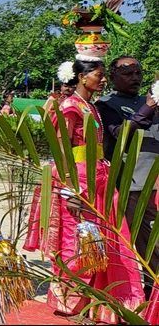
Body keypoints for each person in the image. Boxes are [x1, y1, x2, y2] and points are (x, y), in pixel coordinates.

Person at [24, 58, 144, 322]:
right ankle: (72, 302)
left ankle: (98, 302)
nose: (103, 80)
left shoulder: (91, 106)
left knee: (101, 241)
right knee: (77, 241)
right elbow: (62, 148)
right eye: (99, 75)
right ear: (81, 76)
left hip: (97, 177)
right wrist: (69, 189)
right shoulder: (69, 107)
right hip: (78, 179)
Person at [96, 56, 159, 296]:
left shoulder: (148, 100)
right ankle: (148, 291)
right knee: (146, 241)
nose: (135, 78)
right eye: (128, 73)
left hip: (156, 180)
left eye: (138, 73)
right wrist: (148, 108)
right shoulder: (106, 105)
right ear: (112, 76)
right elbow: (120, 134)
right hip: (134, 183)